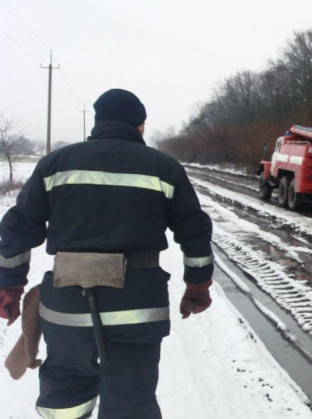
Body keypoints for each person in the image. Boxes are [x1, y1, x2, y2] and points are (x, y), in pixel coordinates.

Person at [0, 88, 214, 418]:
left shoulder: (55, 165)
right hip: (139, 307)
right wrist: (197, 286)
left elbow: (16, 230)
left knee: (66, 395)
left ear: (98, 123)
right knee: (131, 400)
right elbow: (195, 231)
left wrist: (10, 287)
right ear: (140, 126)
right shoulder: (164, 168)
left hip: (67, 306)